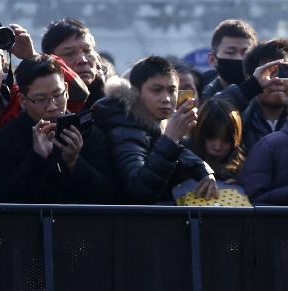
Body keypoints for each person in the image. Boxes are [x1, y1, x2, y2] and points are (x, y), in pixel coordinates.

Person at [0, 54, 113, 203]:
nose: (53, 106)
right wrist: (37, 158)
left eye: (57, 95)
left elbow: (108, 197)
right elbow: (3, 202)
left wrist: (74, 161)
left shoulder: (88, 132)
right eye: (41, 99)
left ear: (66, 90)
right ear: (22, 101)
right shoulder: (5, 140)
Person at [93, 55, 218, 204]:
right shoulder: (125, 127)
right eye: (156, 90)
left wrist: (203, 170)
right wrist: (171, 139)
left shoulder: (147, 121)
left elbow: (169, 148)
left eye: (172, 90)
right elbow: (139, 192)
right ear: (136, 93)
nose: (166, 99)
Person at [41, 18, 104, 111]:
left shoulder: (116, 102)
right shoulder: (42, 109)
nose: (83, 60)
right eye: (69, 53)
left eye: (87, 51)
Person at [189, 98, 246, 182]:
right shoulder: (182, 165)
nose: (217, 147)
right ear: (199, 133)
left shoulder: (245, 171)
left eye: (226, 140)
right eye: (211, 137)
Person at [201, 19, 257, 97]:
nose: (239, 58)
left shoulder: (267, 96)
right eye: (230, 52)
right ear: (212, 59)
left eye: (245, 53)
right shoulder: (204, 100)